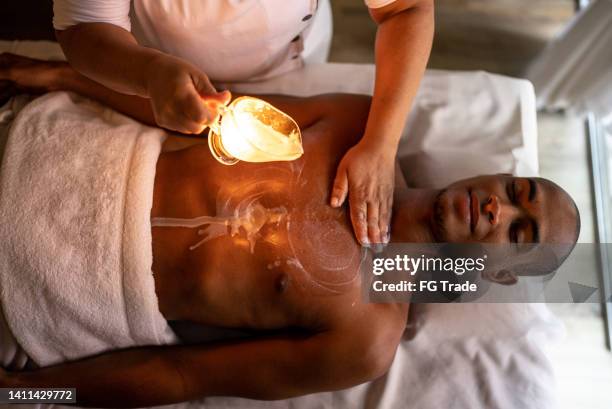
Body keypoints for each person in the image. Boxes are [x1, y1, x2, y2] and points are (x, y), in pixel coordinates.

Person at [0, 54, 579, 408]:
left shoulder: (367, 337)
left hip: (37, 292)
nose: (498, 210)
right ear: (500, 176)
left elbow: (180, 376)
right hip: (43, 150)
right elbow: (192, 110)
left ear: (498, 273)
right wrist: (54, 74)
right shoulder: (357, 125)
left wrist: (31, 394)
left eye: (519, 234)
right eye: (515, 192)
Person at [51, 0, 435, 248]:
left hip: (286, 57)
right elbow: (84, 27)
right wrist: (148, 73)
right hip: (155, 61)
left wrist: (381, 144)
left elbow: (405, 8)